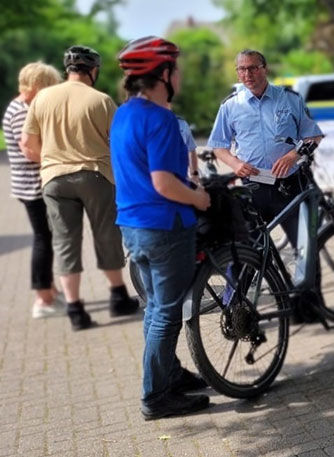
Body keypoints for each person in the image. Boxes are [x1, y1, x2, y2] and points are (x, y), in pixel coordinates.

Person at [111, 36, 212, 420]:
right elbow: (165, 183)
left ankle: (169, 374)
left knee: (154, 308)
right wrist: (199, 199)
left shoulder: (124, 114)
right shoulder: (161, 119)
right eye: (177, 69)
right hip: (164, 227)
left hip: (132, 226)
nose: (180, 75)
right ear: (163, 75)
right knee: (167, 312)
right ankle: (156, 396)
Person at [21, 45, 139, 331]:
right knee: (106, 235)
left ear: (67, 70)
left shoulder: (42, 98)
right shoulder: (101, 100)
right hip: (95, 176)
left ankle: (75, 309)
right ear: (93, 70)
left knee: (64, 242)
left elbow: (27, 145)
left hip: (54, 179)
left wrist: (52, 160)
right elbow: (120, 143)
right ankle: (118, 296)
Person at [207, 49, 323, 320]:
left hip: (290, 187)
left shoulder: (289, 99)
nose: (247, 74)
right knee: (246, 251)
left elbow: (313, 135)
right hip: (252, 189)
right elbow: (218, 147)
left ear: (264, 68)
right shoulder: (231, 106)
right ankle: (234, 310)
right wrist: (235, 164)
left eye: (252, 68)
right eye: (241, 69)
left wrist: (294, 154)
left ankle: (307, 308)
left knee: (305, 248)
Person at [3, 62, 63, 319]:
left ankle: (48, 288)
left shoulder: (23, 107)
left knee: (46, 237)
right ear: (37, 86)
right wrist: (58, 159)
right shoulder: (20, 112)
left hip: (31, 184)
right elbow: (29, 150)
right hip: (32, 186)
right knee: (43, 239)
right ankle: (42, 298)